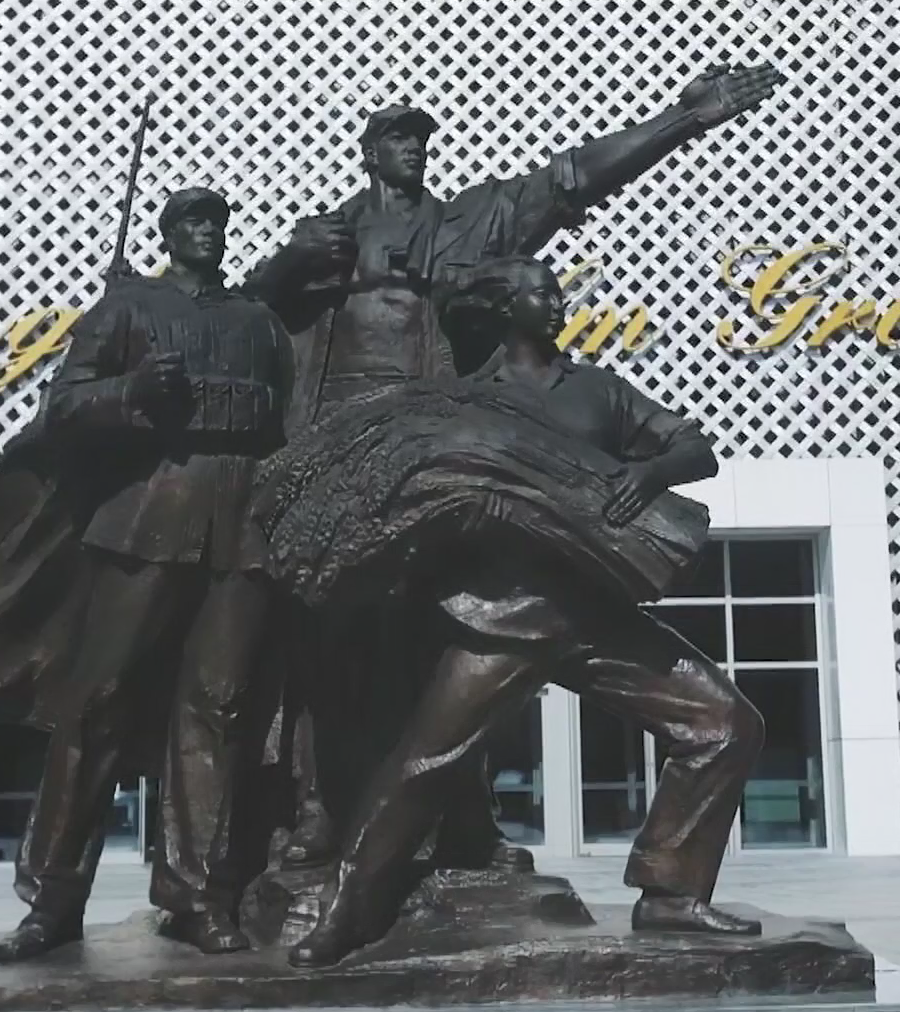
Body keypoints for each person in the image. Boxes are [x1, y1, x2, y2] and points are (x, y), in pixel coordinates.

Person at [246, 62, 784, 872]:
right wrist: (285, 267)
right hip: (342, 444)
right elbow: (245, 321)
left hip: (442, 443)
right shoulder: (327, 236)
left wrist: (680, 121)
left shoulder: (471, 226)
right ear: (369, 151)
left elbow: (570, 180)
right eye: (397, 137)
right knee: (332, 636)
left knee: (455, 636)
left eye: (421, 138)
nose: (414, 149)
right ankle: (320, 811)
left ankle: (465, 822)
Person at [252, 257, 766, 968]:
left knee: (725, 724)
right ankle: (347, 911)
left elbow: (693, 449)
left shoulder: (596, 390)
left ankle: (672, 893)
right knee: (422, 764)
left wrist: (645, 473)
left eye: (557, 293)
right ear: (504, 309)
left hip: (592, 608)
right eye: (538, 294)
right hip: (502, 616)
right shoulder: (465, 403)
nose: (555, 304)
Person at [0, 187, 293, 962]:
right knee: (97, 702)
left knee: (219, 709)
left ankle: (197, 895)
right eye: (193, 220)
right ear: (168, 233)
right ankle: (54, 898)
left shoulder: (258, 322)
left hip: (243, 529)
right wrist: (129, 392)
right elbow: (63, 406)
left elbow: (291, 421)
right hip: (147, 518)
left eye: (217, 221)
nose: (208, 232)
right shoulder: (129, 308)